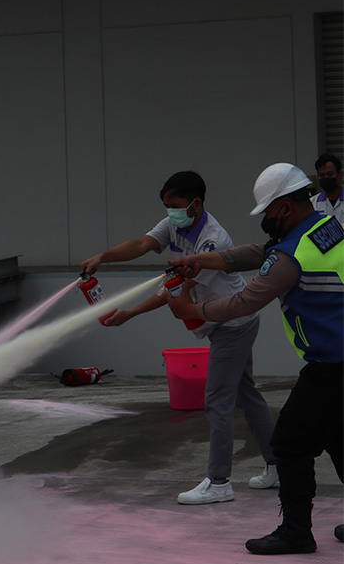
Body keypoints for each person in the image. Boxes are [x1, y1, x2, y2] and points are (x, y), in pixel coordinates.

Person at [166, 162, 343, 554]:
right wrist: (203, 260)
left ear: (283, 207)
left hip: (332, 363)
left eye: (267, 211)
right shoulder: (325, 228)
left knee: (290, 442)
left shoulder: (292, 253)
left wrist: (192, 312)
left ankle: (296, 531)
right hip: (338, 357)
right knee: (336, 435)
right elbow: (258, 253)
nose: (266, 219)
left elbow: (246, 300)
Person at [80, 171, 278, 504]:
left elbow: (173, 291)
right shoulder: (176, 224)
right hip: (224, 321)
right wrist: (103, 256)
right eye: (166, 206)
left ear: (196, 203)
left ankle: (219, 482)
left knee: (217, 401)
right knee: (247, 396)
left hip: (233, 324)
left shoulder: (213, 240)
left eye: (175, 205)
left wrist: (130, 313)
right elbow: (143, 244)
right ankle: (278, 465)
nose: (170, 211)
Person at [310, 153, 344, 226]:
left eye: (330, 174)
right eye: (322, 175)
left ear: (340, 175)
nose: (326, 177)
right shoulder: (312, 204)